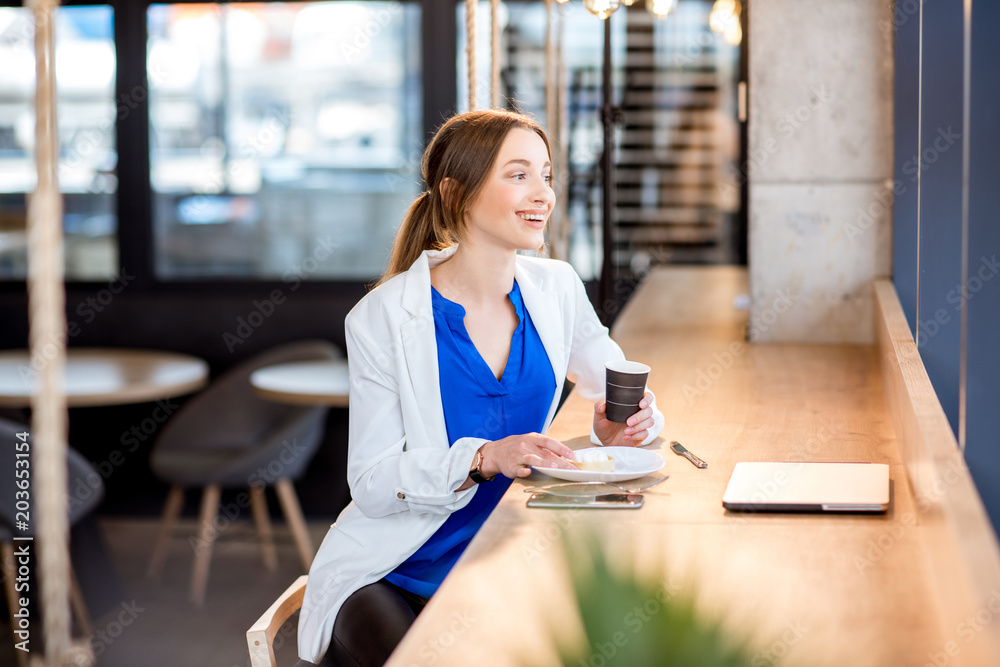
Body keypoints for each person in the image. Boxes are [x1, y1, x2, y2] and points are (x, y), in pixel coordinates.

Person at [298, 109, 665, 666]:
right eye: (519, 175)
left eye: (546, 174)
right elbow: (370, 483)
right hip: (397, 571)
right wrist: (483, 458)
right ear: (456, 192)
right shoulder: (382, 318)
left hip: (507, 554)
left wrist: (627, 424)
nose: (543, 193)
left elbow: (616, 386)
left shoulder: (556, 288)